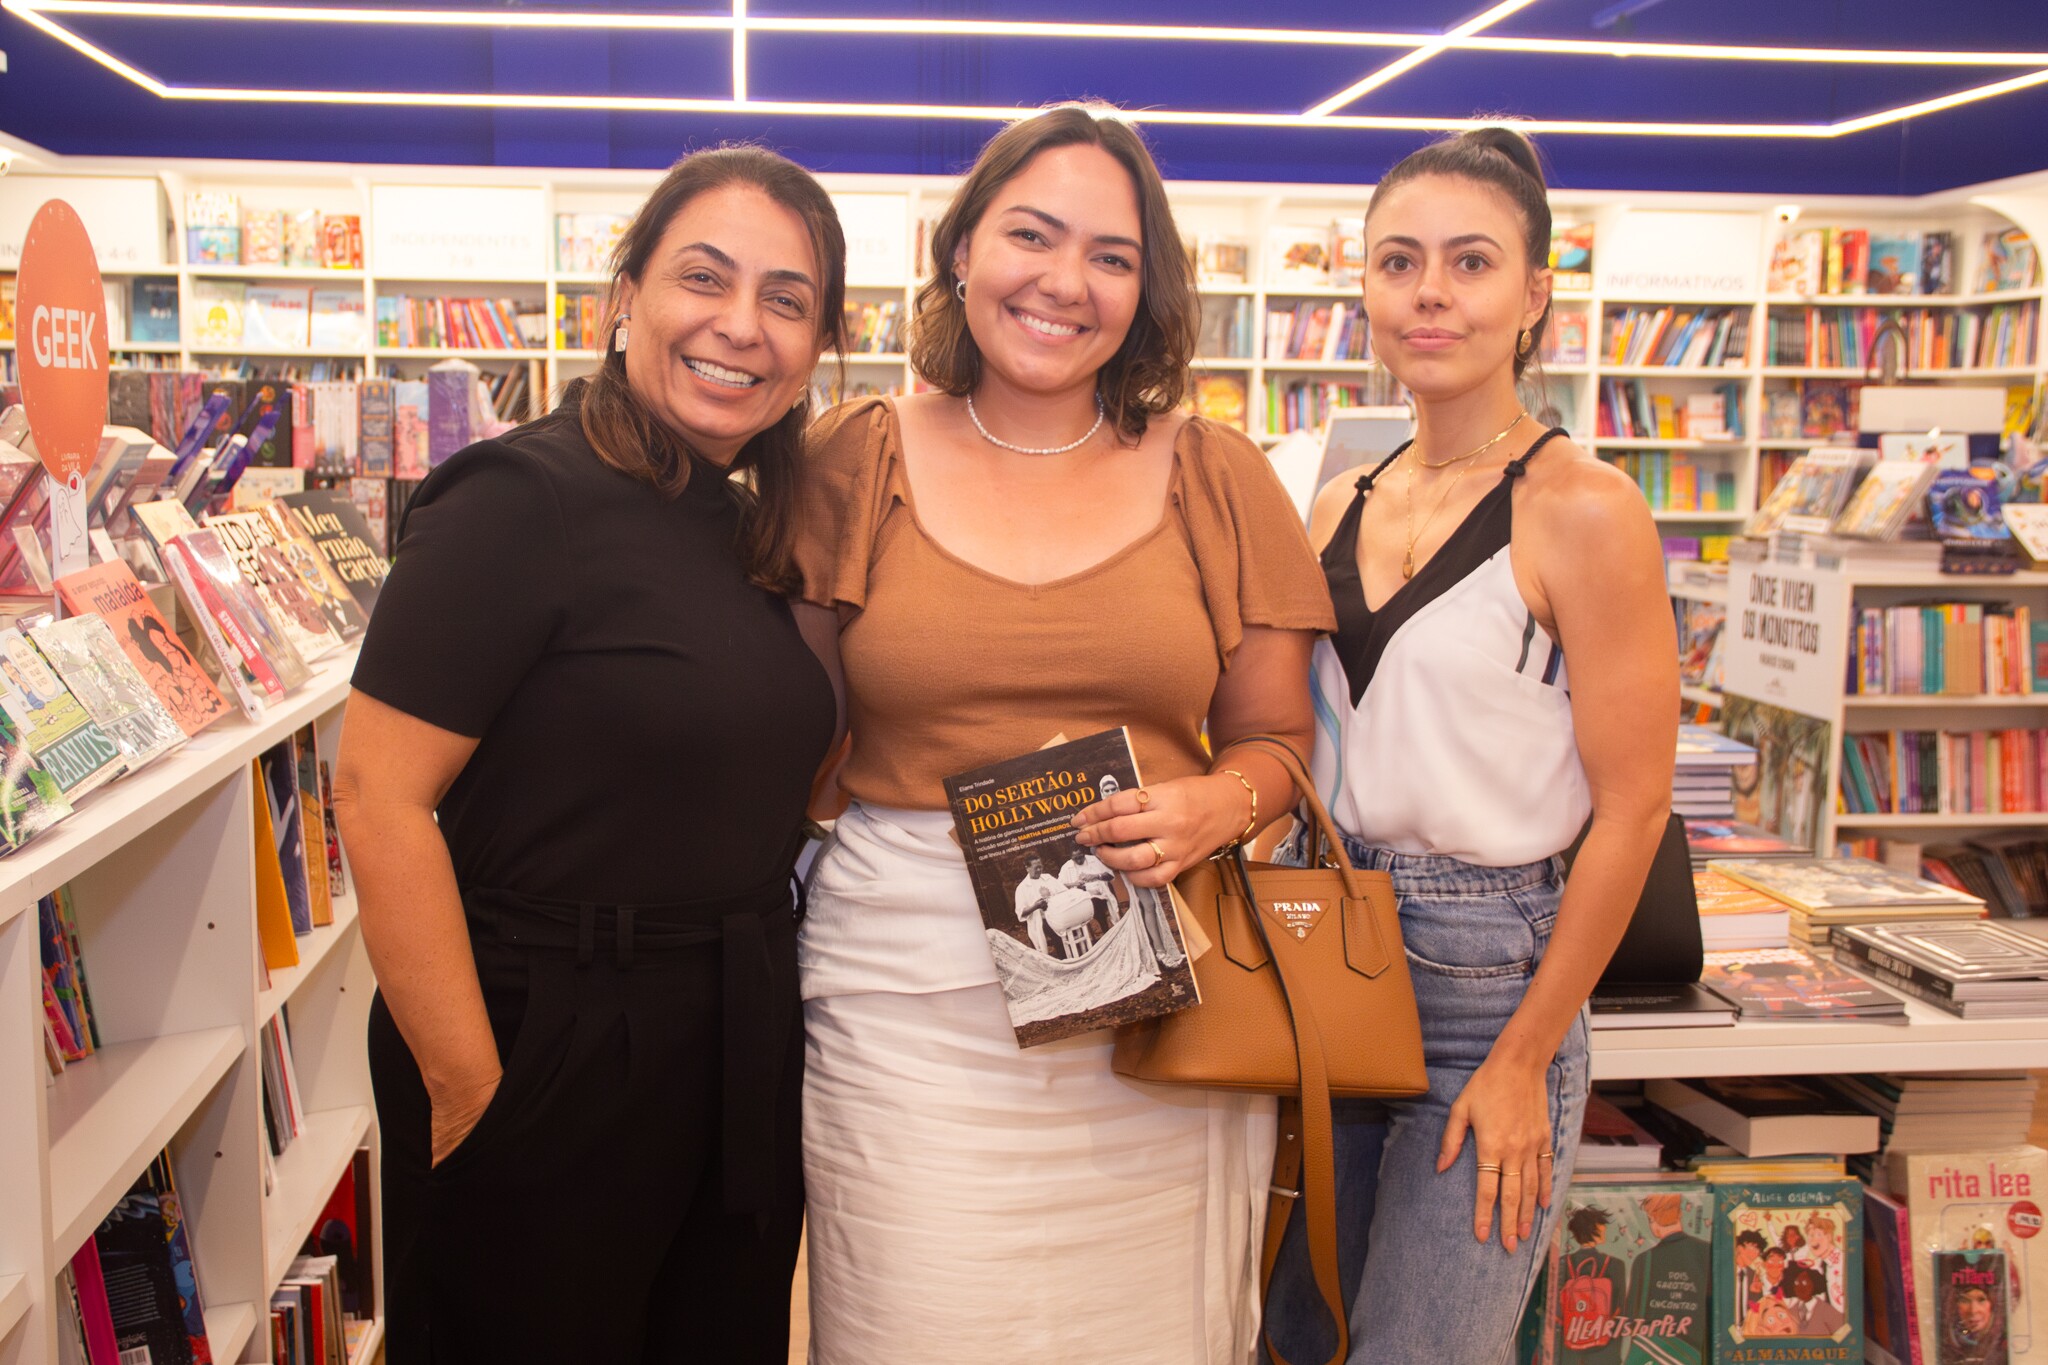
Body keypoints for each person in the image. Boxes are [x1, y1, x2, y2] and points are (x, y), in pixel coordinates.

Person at [792, 103, 1334, 1364]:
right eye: (1030, 235)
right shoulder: (852, 459)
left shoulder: (1217, 474)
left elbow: (1277, 742)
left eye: (1110, 254)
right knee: (911, 1324)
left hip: (1153, 996)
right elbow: (788, 737)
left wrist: (1219, 804)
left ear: (1146, 292)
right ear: (961, 250)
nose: (1062, 281)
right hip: (903, 999)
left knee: (1146, 1332)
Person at [333, 146, 845, 1364]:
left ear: (818, 345)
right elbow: (374, 794)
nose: (739, 326)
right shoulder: (520, 499)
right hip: (546, 1036)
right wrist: (467, 1088)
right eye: (702, 279)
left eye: (786, 300)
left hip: (731, 1033)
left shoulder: (753, 520)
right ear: (623, 298)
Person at [1262, 125, 1678, 1363]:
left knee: (1419, 1349)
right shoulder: (1338, 496)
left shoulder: (1583, 510)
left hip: (1489, 980)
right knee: (1299, 1336)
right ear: (1364, 290)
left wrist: (1525, 1059)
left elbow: (1636, 808)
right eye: (1397, 263)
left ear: (1532, 292)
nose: (1429, 293)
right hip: (1333, 950)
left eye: (1469, 262)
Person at [1013, 854, 1061, 954]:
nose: (1039, 870)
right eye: (1036, 868)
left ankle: (1066, 957)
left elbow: (1063, 891)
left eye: (1040, 867)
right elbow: (1021, 913)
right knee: (1045, 943)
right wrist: (1036, 906)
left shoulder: (1048, 878)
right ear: (1027, 868)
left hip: (1057, 916)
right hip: (1040, 921)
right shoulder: (1022, 888)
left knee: (1065, 934)